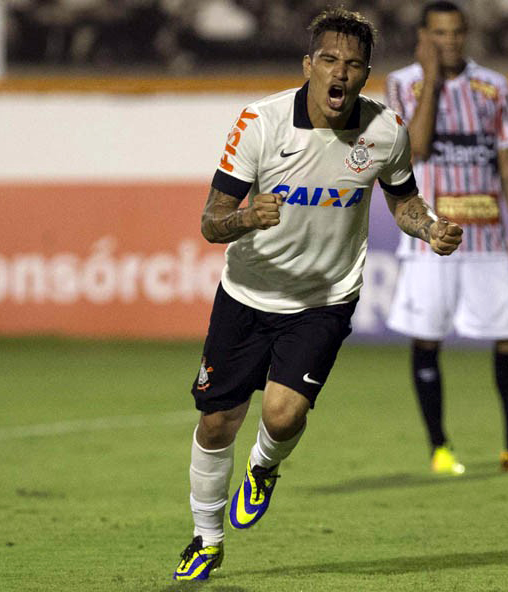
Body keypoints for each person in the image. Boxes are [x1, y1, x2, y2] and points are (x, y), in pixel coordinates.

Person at [173, 7, 463, 582]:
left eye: (354, 65)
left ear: (365, 74)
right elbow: (211, 222)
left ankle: (263, 468)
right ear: (309, 65)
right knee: (215, 424)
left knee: (282, 417)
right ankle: (207, 538)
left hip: (324, 298)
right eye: (329, 59)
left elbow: (403, 201)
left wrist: (430, 227)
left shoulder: (385, 131)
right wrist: (248, 217)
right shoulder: (260, 122)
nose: (341, 73)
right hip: (248, 292)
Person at [385, 1, 508, 478]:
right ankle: (440, 447)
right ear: (424, 36)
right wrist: (430, 77)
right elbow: (419, 146)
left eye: (456, 33)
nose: (449, 42)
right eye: (439, 34)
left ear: (466, 35)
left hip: (487, 235)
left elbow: (507, 162)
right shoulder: (403, 84)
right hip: (429, 233)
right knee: (427, 338)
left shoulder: (493, 86)